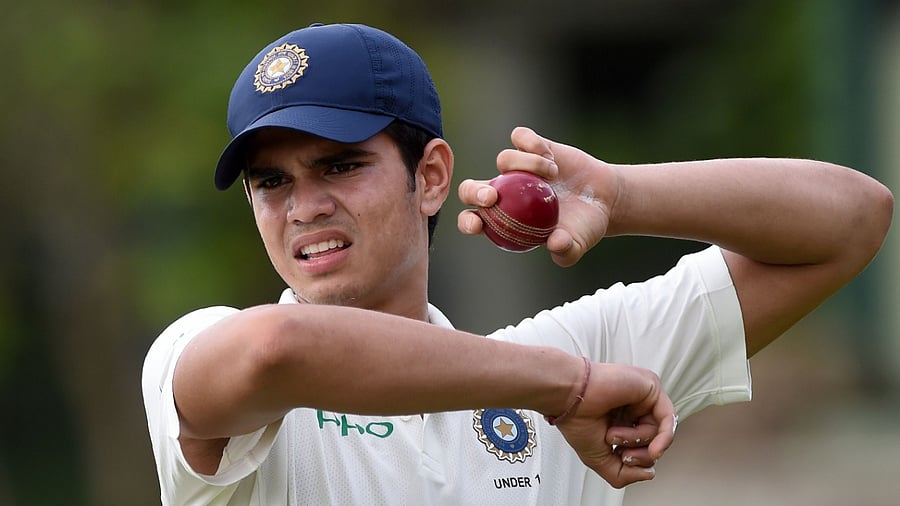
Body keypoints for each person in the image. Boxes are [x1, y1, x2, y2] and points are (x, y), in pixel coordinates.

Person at [141, 22, 893, 505]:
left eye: (339, 166)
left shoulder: (566, 359)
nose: (303, 207)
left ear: (431, 176)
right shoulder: (197, 353)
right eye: (271, 182)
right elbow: (278, 349)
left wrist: (620, 195)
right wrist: (566, 389)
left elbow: (853, 216)